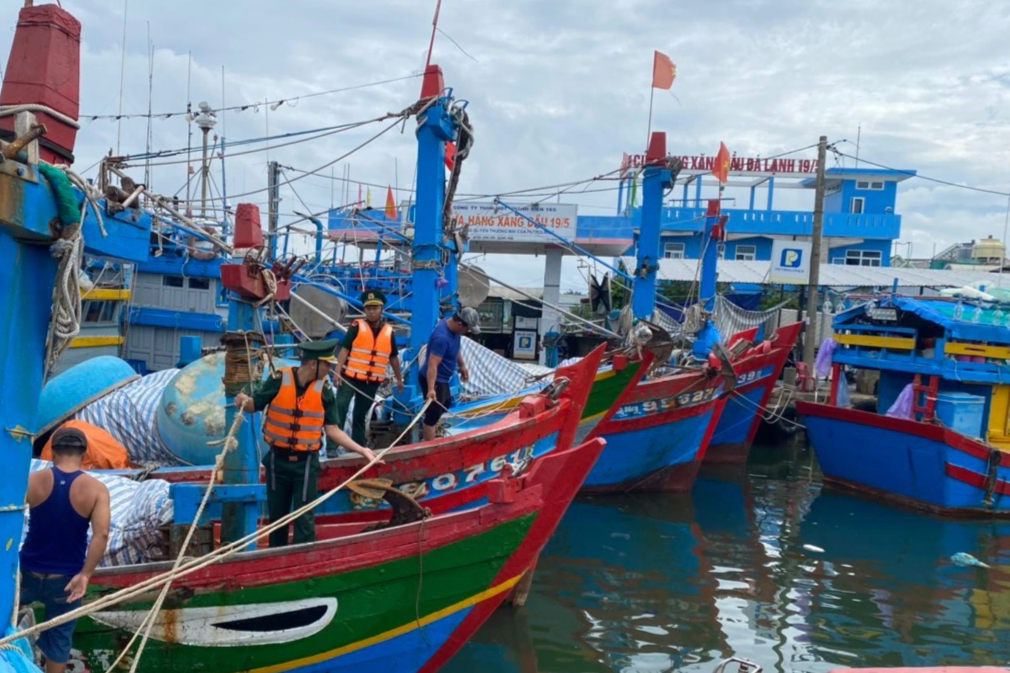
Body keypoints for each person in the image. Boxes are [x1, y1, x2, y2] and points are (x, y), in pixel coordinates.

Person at [234, 339, 380, 548]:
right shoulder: (279, 379)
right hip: (278, 461)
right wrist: (242, 401)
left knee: (304, 518)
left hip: (306, 463)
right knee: (277, 518)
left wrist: (361, 449)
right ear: (314, 364)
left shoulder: (325, 391)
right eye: (327, 364)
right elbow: (254, 405)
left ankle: (303, 562)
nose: (330, 369)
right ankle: (276, 559)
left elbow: (333, 430)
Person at [20, 426, 111, 673]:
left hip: (27, 572)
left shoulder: (32, 481)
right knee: (59, 642)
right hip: (67, 580)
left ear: (52, 451)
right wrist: (86, 575)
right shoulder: (96, 490)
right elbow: (101, 534)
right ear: (84, 454)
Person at [334, 289, 405, 446]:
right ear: (364, 310)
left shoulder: (388, 332)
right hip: (350, 377)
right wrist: (337, 372)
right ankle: (333, 445)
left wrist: (399, 379)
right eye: (368, 309)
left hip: (371, 382)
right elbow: (344, 349)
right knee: (340, 406)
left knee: (361, 414)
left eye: (375, 308)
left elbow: (393, 357)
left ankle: (357, 445)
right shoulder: (356, 326)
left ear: (381, 309)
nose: (371, 312)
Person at [418, 306, 481, 441]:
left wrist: (462, 365)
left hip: (443, 378)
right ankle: (429, 446)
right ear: (460, 324)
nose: (467, 332)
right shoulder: (441, 338)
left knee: (446, 403)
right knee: (433, 414)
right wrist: (430, 389)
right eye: (467, 329)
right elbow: (432, 364)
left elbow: (455, 347)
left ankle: (433, 429)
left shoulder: (451, 325)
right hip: (434, 378)